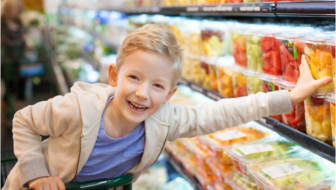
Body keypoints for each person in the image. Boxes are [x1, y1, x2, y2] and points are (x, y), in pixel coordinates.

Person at [3, 24, 331, 190]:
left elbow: (220, 112)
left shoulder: (164, 119)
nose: (143, 94)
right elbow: (24, 121)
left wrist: (289, 97)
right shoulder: (77, 109)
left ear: (171, 94)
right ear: (114, 75)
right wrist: (36, 173)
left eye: (157, 85)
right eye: (134, 77)